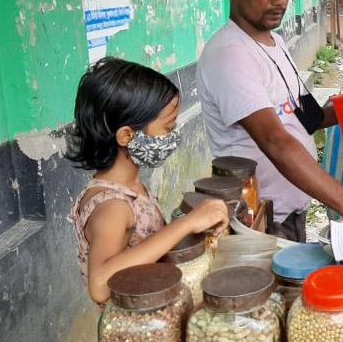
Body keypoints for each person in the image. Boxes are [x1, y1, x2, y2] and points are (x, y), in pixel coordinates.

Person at [197, 0, 343, 243]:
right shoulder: (230, 55)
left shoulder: (275, 42)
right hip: (261, 217)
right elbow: (274, 139)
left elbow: (304, 118)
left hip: (293, 205)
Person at [67, 58, 231, 304]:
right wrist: (186, 224)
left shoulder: (129, 187)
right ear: (126, 135)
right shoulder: (113, 206)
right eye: (168, 127)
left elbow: (144, 245)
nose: (174, 136)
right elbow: (100, 286)